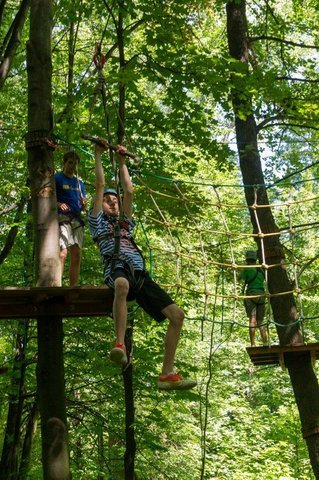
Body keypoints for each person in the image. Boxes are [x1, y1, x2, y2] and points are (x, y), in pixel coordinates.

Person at [89, 142, 197, 391]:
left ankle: (167, 373)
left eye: (114, 200)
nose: (112, 203)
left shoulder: (126, 224)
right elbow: (97, 186)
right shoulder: (97, 223)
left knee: (177, 316)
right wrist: (98, 156)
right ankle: (119, 344)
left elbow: (129, 191)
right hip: (117, 268)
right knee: (121, 284)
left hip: (139, 273)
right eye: (107, 201)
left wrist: (123, 162)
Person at [55, 151, 87, 287]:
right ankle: (58, 286)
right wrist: (58, 204)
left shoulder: (79, 183)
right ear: (64, 162)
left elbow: (82, 205)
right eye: (70, 162)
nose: (72, 165)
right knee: (62, 252)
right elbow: (48, 198)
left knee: (77, 254)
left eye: (75, 163)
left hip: (76, 219)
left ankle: (73, 287)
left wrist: (84, 204)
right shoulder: (57, 178)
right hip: (63, 218)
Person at [240, 250, 268, 347]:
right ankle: (265, 342)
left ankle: (253, 344)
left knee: (252, 320)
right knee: (260, 321)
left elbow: (240, 277)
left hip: (251, 295)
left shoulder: (247, 268)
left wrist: (243, 267)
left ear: (247, 259)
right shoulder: (261, 269)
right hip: (261, 295)